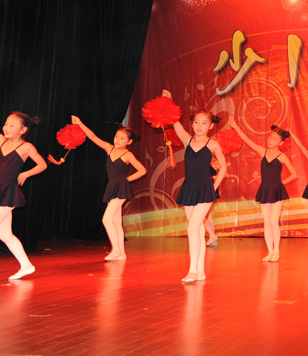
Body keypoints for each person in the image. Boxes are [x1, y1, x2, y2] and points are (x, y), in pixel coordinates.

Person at [161, 90, 228, 283]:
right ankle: (200, 272)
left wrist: (214, 186)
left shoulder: (213, 145)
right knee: (197, 230)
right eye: (197, 122)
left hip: (206, 189)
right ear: (192, 124)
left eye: (204, 123)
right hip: (189, 188)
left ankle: (192, 271)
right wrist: (169, 100)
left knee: (192, 228)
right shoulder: (187, 140)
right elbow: (174, 120)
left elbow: (223, 167)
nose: (199, 126)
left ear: (211, 126)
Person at [71, 116, 147, 261]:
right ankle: (122, 254)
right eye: (116, 136)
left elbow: (142, 170)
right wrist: (80, 123)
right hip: (112, 187)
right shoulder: (109, 148)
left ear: (129, 142)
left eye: (122, 138)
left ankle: (116, 250)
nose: (117, 140)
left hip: (121, 188)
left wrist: (126, 180)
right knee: (117, 222)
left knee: (106, 219)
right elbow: (92, 136)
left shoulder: (128, 155)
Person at [0, 112, 47, 281]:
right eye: (6, 124)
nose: (6, 127)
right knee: (4, 235)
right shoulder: (1, 141)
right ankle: (26, 266)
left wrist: (26, 173)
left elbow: (42, 165)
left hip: (9, 193)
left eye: (12, 125)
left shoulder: (26, 147)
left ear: (23, 130)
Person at [231, 121, 297, 261]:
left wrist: (281, 184)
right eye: (270, 137)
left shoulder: (282, 156)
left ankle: (276, 251)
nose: (271, 141)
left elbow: (294, 175)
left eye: (275, 139)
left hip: (277, 191)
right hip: (265, 190)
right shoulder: (263, 151)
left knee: (274, 221)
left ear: (281, 143)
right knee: (266, 223)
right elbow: (247, 140)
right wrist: (236, 126)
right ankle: (270, 252)